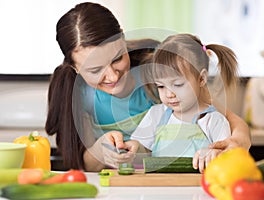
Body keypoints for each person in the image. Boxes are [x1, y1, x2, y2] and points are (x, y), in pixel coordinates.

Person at [45, 2, 251, 172]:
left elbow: (224, 117)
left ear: (123, 40)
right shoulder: (76, 95)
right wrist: (101, 151)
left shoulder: (157, 66)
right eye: (95, 69)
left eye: (117, 58)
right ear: (75, 68)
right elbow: (82, 165)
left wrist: (237, 142)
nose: (112, 75)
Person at [131, 34, 239, 172]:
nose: (169, 94)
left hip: (197, 191)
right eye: (161, 86)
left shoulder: (214, 121)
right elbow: (142, 151)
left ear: (201, 79)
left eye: (178, 84)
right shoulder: (156, 114)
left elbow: (228, 160)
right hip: (158, 190)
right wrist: (133, 148)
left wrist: (215, 155)